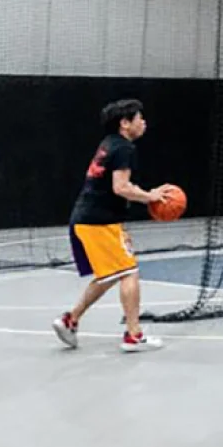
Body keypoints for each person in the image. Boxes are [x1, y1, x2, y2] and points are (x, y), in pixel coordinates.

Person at [54, 99, 171, 353]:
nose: (143, 122)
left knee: (109, 275)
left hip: (87, 220)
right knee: (129, 272)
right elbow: (121, 187)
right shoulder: (124, 149)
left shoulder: (108, 145)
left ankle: (70, 320)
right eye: (139, 118)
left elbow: (113, 188)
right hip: (97, 222)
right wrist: (150, 196)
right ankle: (133, 336)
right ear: (125, 123)